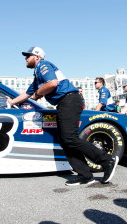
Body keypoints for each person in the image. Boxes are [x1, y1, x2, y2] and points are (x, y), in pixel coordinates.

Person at [8, 47, 118, 186]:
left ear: (37, 57)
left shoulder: (43, 65)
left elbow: (52, 83)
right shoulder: (37, 76)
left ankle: (107, 160)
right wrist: (12, 101)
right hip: (64, 102)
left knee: (69, 138)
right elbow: (27, 94)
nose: (25, 58)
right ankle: (85, 175)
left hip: (69, 100)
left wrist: (37, 94)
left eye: (28, 56)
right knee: (65, 140)